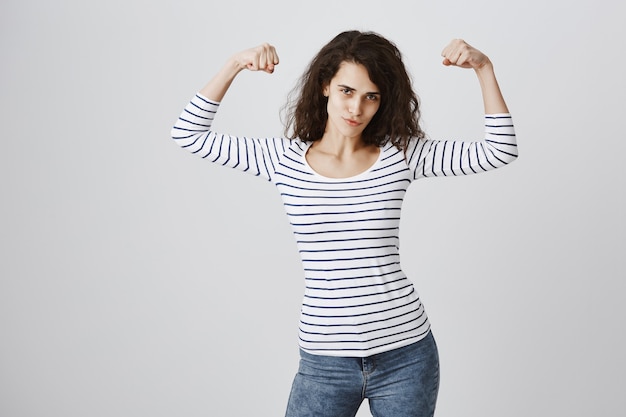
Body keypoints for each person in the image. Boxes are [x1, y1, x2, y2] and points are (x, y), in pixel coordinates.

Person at [171, 30, 517, 417]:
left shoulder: (400, 154)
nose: (356, 108)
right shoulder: (282, 159)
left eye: (371, 97)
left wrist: (483, 69)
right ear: (325, 86)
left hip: (407, 355)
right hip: (325, 364)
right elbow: (188, 134)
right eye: (347, 91)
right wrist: (234, 64)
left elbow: (499, 150)